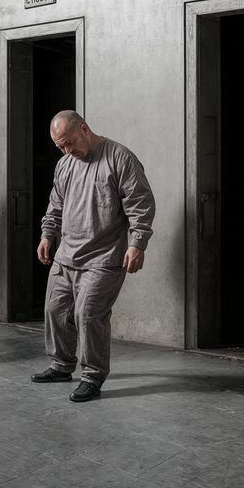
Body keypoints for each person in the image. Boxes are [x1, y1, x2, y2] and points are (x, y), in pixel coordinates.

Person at [29, 111, 155, 402]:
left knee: (88, 315)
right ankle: (61, 365)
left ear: (84, 129)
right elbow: (55, 205)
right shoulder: (64, 165)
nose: (67, 151)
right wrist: (47, 234)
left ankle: (92, 377)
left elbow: (141, 204)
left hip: (104, 257)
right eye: (60, 147)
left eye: (70, 143)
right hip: (66, 255)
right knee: (55, 311)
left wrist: (137, 243)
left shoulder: (120, 158)